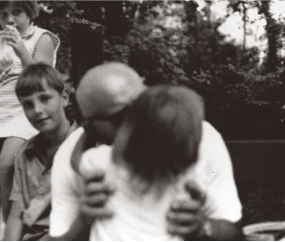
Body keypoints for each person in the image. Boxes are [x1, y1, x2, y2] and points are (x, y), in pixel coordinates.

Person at [49, 62, 243, 240]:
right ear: (91, 125)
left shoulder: (199, 137)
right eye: (122, 116)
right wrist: (84, 221)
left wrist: (203, 227)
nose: (142, 119)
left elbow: (233, 233)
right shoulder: (72, 155)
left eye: (144, 102)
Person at [0, 1, 60, 240]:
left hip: (28, 104)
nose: (9, 19)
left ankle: (7, 231)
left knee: (7, 165)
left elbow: (41, 79)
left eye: (16, 12)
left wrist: (22, 51)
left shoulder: (43, 37)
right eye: (2, 14)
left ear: (29, 12)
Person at [74, 85, 205, 240]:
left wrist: (89, 128)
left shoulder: (101, 161)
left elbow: (76, 161)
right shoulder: (190, 176)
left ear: (131, 129)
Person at [3, 63, 77, 241]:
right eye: (28, 104)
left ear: (64, 97)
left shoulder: (84, 147)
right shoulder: (25, 153)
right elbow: (17, 215)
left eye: (44, 99)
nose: (37, 110)